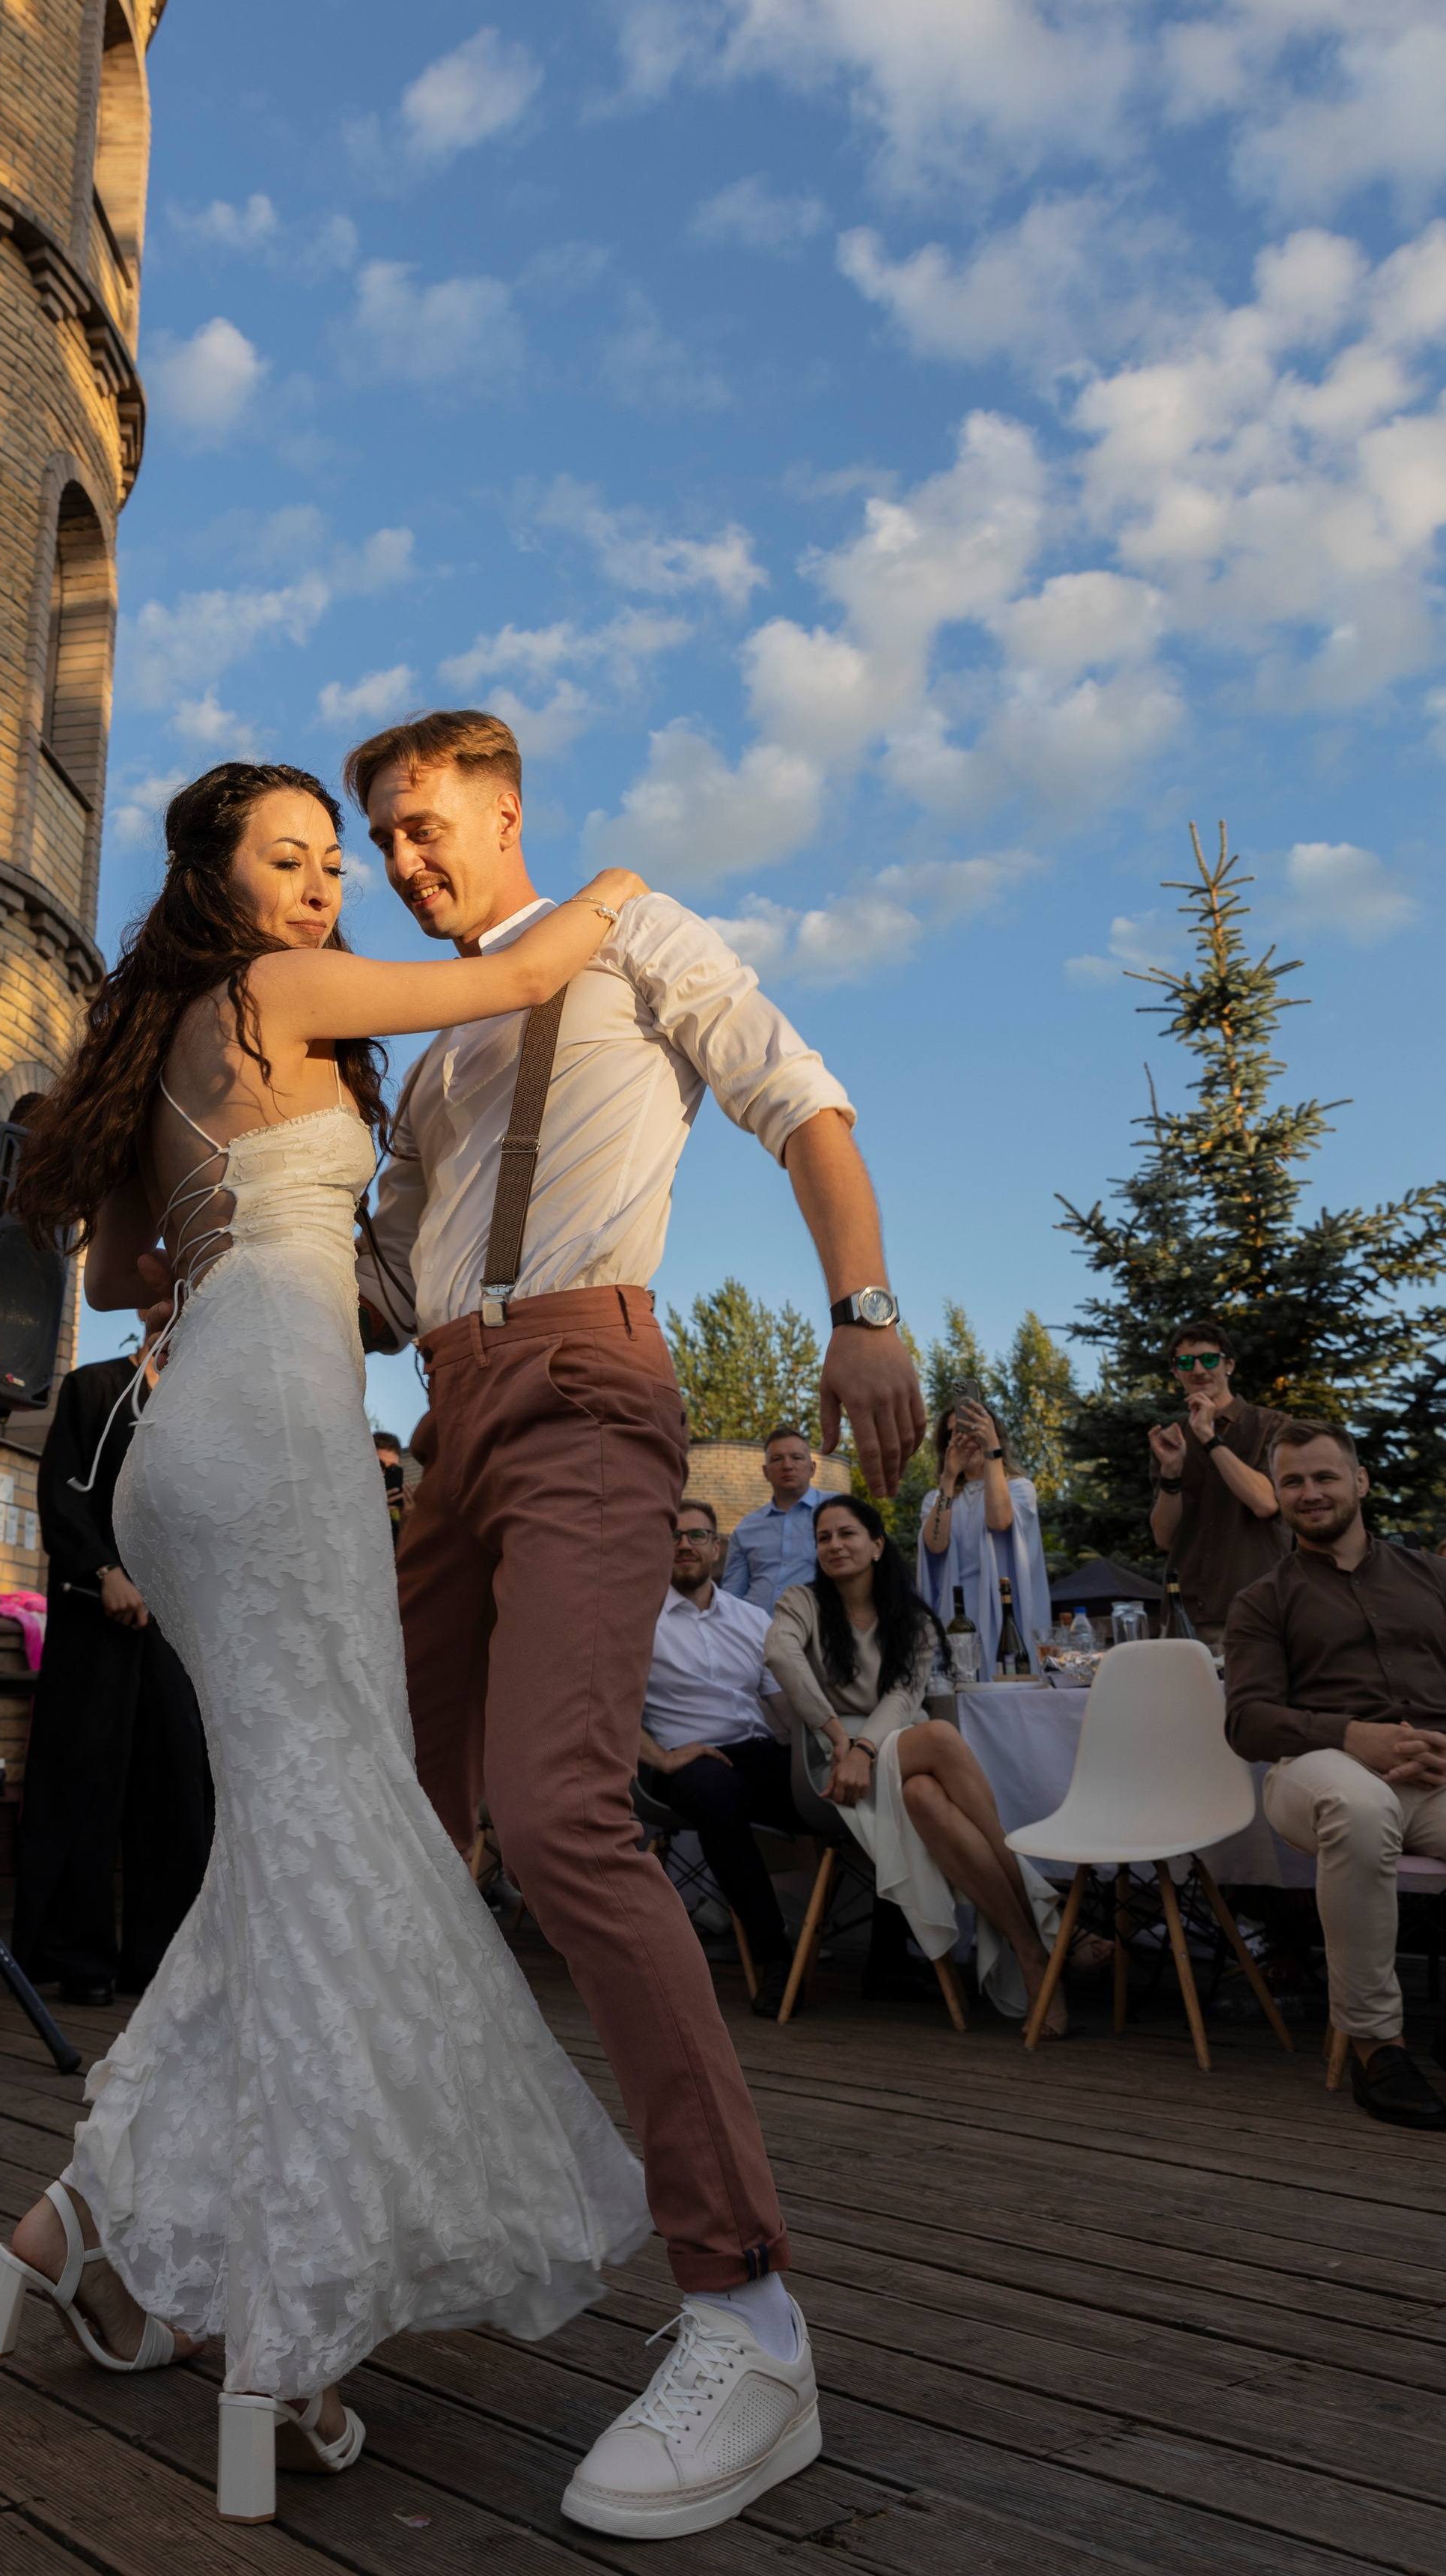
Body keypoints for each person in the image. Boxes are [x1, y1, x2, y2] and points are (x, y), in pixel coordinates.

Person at [0, 761, 653, 2510]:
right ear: (213, 876)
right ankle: (271, 2340)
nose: (320, 882)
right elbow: (511, 974)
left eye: (330, 860)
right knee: (335, 1830)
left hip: (179, 1446)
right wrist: (619, 890)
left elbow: (126, 1272)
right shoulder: (274, 992)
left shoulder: (156, 1048)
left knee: (290, 1836)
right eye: (286, 855)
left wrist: (287, 1226)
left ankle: (77, 2219)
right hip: (270, 1432)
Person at [351, 707, 924, 2537]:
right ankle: (309, 2220)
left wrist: (863, 1300)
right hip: (445, 1429)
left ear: (503, 806)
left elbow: (796, 1094)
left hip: (590, 1391)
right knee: (363, 1814)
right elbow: (375, 1281)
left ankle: (746, 2312)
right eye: (382, 839)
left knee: (554, 1809)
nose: (404, 860)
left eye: (426, 823)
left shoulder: (628, 929)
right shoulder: (433, 1059)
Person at [1224, 1418, 1446, 2131]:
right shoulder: (1262, 1600)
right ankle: (1378, 2045)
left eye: (1325, 1476)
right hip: (1314, 1772)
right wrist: (1354, 1737)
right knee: (1359, 1806)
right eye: (1292, 1481)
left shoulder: (1437, 1579)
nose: (1309, 1492)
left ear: (1360, 1482)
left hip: (1435, 1775)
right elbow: (1249, 1723)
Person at [766, 1496, 1066, 2030]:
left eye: (847, 1534)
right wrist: (840, 1738)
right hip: (831, 1763)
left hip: (884, 1748)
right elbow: (781, 1658)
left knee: (925, 1795)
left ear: (878, 1545)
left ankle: (1031, 1952)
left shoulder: (915, 1621)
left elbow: (902, 1698)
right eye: (824, 1537)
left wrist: (865, 1748)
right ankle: (1043, 1918)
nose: (834, 1545)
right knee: (944, 1738)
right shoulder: (802, 1602)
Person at [13, 1348, 213, 2009]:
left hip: (176, 1624)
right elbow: (61, 1491)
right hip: (96, 1614)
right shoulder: (96, 1387)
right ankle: (81, 1957)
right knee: (85, 1777)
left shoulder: (208, 1402)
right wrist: (104, 1572)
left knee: (176, 1783)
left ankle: (160, 1959)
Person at [635, 1500, 846, 2020]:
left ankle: (892, 1957)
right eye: (674, 1537)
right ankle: (775, 1955)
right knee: (716, 1793)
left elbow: (783, 1704)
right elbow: (601, 1708)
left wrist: (834, 1753)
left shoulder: (753, 1620)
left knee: (855, 1794)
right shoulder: (636, 1621)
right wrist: (660, 1758)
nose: (685, 1545)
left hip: (755, 1752)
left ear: (717, 1548)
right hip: (683, 1763)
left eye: (697, 1536)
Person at [1149, 1322, 1287, 1639]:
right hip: (1185, 1615)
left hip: (1257, 1613)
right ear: (1176, 1373)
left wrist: (1209, 1438)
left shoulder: (1272, 1426)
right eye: (1186, 1362)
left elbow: (1266, 1503)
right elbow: (1165, 1538)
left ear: (1229, 1365)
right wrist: (1171, 1474)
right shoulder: (1171, 1439)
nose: (1198, 1369)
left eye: (1208, 1359)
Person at [915, 1399, 1051, 1678]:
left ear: (993, 1433)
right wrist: (949, 1478)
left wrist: (991, 1451)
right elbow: (935, 1544)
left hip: (1006, 1615)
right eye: (957, 1432)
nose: (967, 1439)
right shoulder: (938, 1498)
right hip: (956, 1616)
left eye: (974, 1428)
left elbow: (999, 1520)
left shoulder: (1020, 1489)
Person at [724, 1427, 829, 1612]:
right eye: (777, 1459)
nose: (787, 1466)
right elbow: (732, 1595)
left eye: (796, 1458)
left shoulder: (837, 1511)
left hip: (817, 1630)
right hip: (753, 1633)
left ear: (812, 1468)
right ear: (765, 1472)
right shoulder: (747, 1528)